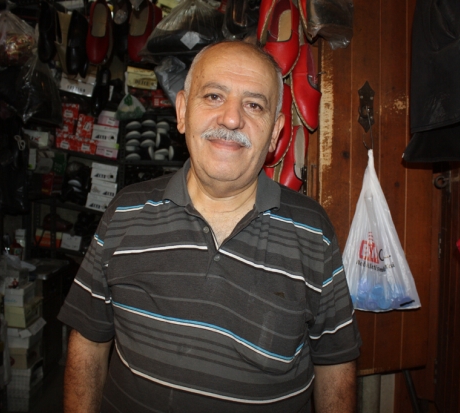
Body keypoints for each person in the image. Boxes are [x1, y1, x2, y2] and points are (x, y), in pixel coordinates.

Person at [58, 40, 361, 413]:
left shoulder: (312, 232)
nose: (231, 119)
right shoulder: (125, 212)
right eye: (214, 96)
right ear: (182, 112)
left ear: (275, 133)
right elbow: (88, 342)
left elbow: (335, 362)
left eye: (254, 105)